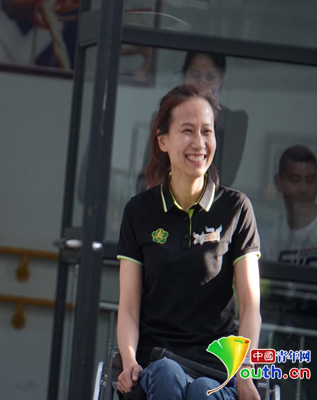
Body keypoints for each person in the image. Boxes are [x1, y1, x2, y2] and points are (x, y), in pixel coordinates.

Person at [116, 83, 261, 400]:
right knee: (168, 375)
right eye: (187, 130)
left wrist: (246, 372)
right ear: (163, 141)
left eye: (207, 131)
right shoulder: (139, 212)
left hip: (218, 371)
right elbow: (128, 307)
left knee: (202, 392)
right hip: (156, 364)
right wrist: (129, 360)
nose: (199, 142)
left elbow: (251, 305)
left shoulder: (237, 209)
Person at [138, 52, 248, 192]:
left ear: (222, 78)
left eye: (207, 131)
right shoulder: (164, 117)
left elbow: (226, 177)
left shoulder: (233, 121)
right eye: (187, 130)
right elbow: (148, 176)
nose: (202, 84)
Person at [260, 144, 317, 400]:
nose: (303, 188)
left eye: (310, 180)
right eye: (295, 179)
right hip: (277, 334)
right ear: (279, 182)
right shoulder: (269, 235)